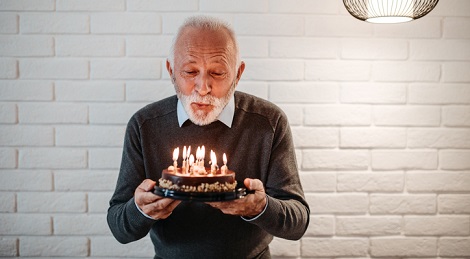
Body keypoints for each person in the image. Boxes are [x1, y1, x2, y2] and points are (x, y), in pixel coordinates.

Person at [107, 15, 310, 259]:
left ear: (238, 73)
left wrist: (261, 207)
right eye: (190, 71)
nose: (203, 87)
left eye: (217, 73)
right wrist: (141, 210)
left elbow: (298, 223)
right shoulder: (144, 125)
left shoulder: (269, 122)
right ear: (171, 71)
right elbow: (119, 228)